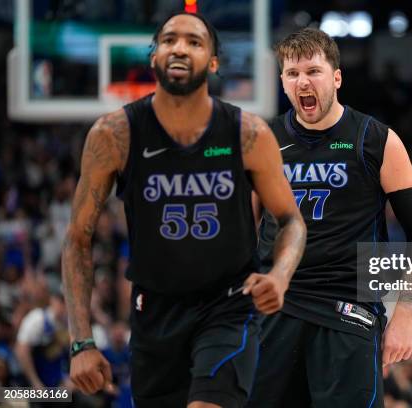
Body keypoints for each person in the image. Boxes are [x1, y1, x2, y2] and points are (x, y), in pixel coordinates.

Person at [61, 12, 306, 408]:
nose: (179, 47)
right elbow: (77, 239)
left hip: (227, 305)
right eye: (169, 39)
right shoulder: (114, 135)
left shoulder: (249, 133)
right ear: (154, 56)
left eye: (194, 42)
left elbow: (292, 219)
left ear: (213, 62)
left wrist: (279, 275)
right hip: (154, 313)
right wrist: (81, 342)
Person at [249, 28, 412, 408]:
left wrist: (405, 312)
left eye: (313, 71)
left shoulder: (376, 139)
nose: (303, 81)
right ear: (283, 82)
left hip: (347, 307)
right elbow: (244, 231)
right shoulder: (264, 140)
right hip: (276, 308)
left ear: (336, 77)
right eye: (292, 73)